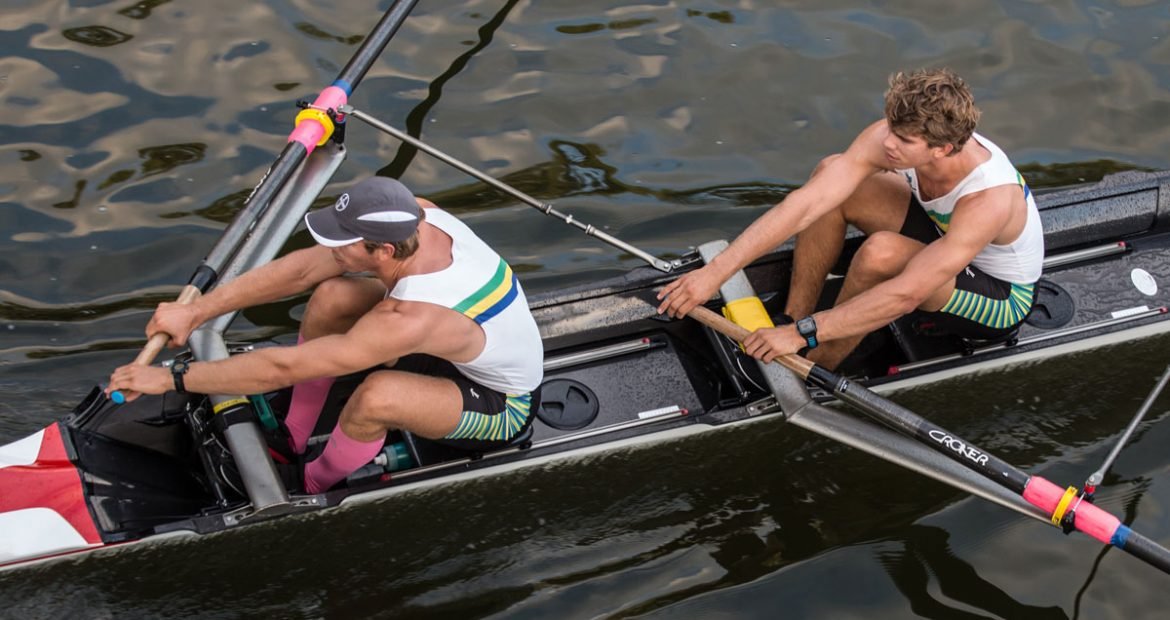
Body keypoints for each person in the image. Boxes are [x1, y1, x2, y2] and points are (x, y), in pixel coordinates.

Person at [107, 176, 544, 493]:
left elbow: (284, 366)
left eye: (344, 242)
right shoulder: (415, 214)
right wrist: (195, 312)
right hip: (453, 343)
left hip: (501, 405)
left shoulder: (408, 317)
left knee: (377, 396)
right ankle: (295, 433)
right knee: (333, 294)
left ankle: (311, 482)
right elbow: (302, 269)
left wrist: (170, 380)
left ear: (384, 250)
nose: (332, 248)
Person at [657, 68, 1044, 370]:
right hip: (946, 241)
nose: (888, 143)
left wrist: (803, 337)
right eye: (891, 128)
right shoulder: (893, 137)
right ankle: (793, 313)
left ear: (942, 148)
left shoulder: (989, 199)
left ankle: (816, 361)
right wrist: (716, 272)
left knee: (881, 254)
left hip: (1001, 297)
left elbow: (906, 293)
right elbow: (807, 204)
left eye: (904, 141)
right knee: (833, 173)